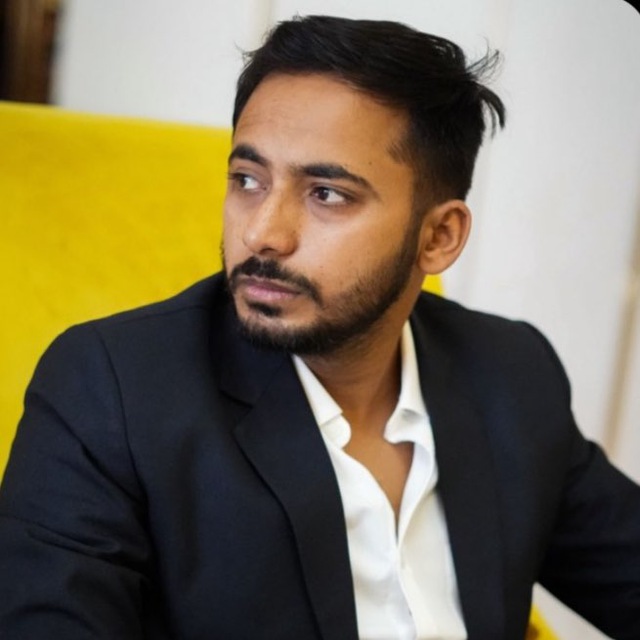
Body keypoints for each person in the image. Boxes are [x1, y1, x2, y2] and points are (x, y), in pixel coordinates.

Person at [0, 14, 639, 640]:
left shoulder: (509, 372)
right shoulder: (111, 390)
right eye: (247, 180)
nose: (262, 233)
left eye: (326, 194)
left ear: (439, 236)